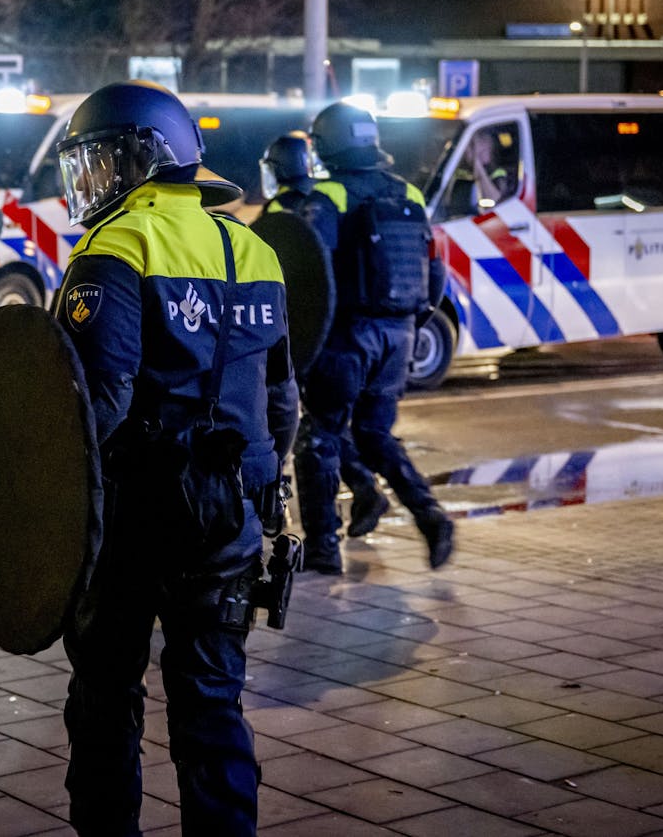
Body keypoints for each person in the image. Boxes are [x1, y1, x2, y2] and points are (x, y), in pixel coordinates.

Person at [52, 80, 299, 836]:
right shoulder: (255, 248)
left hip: (134, 516)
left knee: (105, 699)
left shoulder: (116, 245)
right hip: (229, 517)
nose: (91, 182)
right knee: (212, 707)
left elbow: (98, 403)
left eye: (100, 162)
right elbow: (283, 398)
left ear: (144, 158)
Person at [302, 101, 454, 571]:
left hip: (349, 336)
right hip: (401, 333)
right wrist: (413, 323)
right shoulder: (407, 190)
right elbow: (435, 268)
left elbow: (311, 269)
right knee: (374, 434)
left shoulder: (329, 195)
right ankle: (430, 516)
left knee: (318, 438)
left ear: (328, 145)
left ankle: (323, 549)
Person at [260, 132, 393, 573]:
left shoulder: (278, 214)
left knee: (310, 440)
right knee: (325, 430)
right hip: (342, 338)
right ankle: (364, 489)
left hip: (304, 342)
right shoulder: (322, 203)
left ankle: (324, 544)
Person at [471, 127, 518, 208]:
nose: (481, 148)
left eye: (484, 141)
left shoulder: (503, 175)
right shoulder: (464, 172)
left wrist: (477, 166)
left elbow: (497, 202)